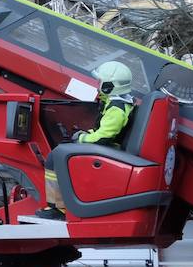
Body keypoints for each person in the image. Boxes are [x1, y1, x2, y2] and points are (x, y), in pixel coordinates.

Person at [37, 61, 137, 220]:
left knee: (55, 158)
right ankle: (58, 205)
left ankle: (59, 208)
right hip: (109, 148)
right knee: (59, 153)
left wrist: (82, 138)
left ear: (109, 85)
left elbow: (103, 137)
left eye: (100, 82)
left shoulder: (116, 108)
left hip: (108, 150)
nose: (98, 85)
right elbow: (102, 131)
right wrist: (84, 134)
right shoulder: (117, 103)